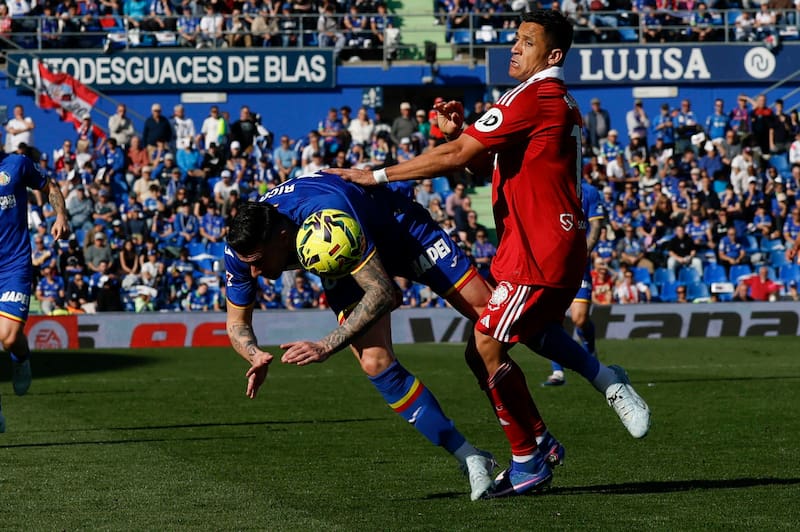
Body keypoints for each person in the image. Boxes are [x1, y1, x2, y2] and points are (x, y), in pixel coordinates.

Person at [329, 9, 651, 497]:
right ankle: (577, 408)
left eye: (526, 41)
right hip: (527, 248)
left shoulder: (536, 96)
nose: (514, 48)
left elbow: (459, 158)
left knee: (485, 345)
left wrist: (373, 175)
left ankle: (531, 457)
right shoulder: (543, 100)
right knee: (501, 343)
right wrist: (455, 135)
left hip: (544, 251)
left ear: (554, 55)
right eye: (514, 39)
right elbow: (492, 169)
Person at [225, 173, 500, 501]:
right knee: (374, 361)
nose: (253, 273)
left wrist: (326, 344)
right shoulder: (243, 250)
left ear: (283, 237)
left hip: (398, 228)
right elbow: (236, 323)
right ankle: (470, 456)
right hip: (345, 258)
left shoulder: (324, 212)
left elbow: (384, 292)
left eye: (257, 263)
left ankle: (538, 439)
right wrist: (253, 352)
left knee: (491, 315)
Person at [0, 149, 69, 432]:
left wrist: (61, 214)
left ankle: (21, 357)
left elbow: (50, 186)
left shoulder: (17, 163)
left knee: (8, 336)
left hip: (13, 266)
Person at [543, 181, 605, 386]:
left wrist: (583, 252)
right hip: (553, 262)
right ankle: (557, 372)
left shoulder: (588, 191)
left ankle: (590, 353)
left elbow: (596, 224)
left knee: (579, 319)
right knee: (551, 319)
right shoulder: (551, 185)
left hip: (578, 264)